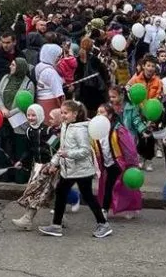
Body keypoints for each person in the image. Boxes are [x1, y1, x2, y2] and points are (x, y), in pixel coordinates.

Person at [37, 100, 111, 238]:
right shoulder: (65, 126)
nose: (63, 115)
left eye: (66, 113)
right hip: (69, 170)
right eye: (62, 112)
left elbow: (85, 151)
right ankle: (56, 225)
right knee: (61, 192)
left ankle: (103, 224)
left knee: (87, 196)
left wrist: (68, 154)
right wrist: (54, 163)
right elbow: (62, 148)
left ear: (75, 114)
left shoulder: (80, 129)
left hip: (82, 171)